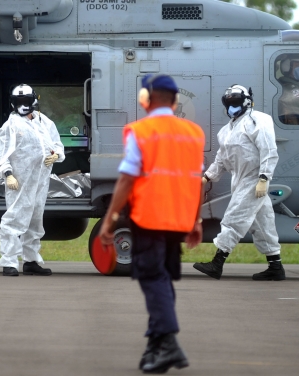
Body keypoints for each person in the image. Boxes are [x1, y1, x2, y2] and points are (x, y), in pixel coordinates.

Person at [99, 74, 205, 374]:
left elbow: (127, 178)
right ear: (176, 101)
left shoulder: (141, 131)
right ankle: (155, 347)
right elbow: (198, 181)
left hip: (148, 218)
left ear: (145, 99)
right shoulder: (193, 132)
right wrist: (196, 220)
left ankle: (169, 342)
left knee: (152, 277)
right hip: (179, 220)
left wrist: (110, 219)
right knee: (163, 279)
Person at [193, 84, 285, 281]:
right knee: (263, 224)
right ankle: (276, 267)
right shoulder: (227, 131)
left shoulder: (258, 121)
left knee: (233, 219)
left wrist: (264, 178)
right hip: (240, 180)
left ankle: (217, 263)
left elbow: (269, 150)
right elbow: (221, 158)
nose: (232, 107)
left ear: (246, 101)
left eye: (235, 102)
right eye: (229, 103)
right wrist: (207, 176)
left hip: (254, 180)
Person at [0, 84, 65, 277]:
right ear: (13, 103)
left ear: (33, 100)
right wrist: (8, 175)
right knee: (14, 218)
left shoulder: (44, 121)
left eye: (26, 101)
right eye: (19, 102)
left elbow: (57, 144)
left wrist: (56, 155)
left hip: (41, 180)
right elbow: (2, 156)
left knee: (35, 220)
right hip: (20, 180)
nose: (23, 105)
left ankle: (31, 261)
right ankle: (9, 261)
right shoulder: (11, 126)